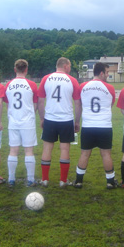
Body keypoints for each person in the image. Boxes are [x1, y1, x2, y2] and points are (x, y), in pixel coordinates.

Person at [38, 57, 81, 188]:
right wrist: (77, 121)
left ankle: (44, 179)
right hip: (66, 119)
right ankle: (63, 180)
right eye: (70, 66)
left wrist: (42, 118)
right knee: (64, 148)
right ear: (66, 66)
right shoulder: (72, 80)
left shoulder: (46, 78)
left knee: (47, 148)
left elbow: (40, 101)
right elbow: (78, 103)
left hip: (50, 119)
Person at [74, 62, 117, 189]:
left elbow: (79, 104)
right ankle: (110, 182)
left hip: (88, 125)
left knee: (84, 154)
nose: (108, 75)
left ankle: (78, 181)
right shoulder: (110, 88)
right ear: (101, 73)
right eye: (107, 72)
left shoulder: (83, 86)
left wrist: (77, 121)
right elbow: (110, 105)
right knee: (106, 154)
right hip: (104, 126)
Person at [4, 59, 38, 187]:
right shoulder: (32, 85)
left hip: (13, 121)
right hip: (27, 122)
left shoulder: (8, 85)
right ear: (26, 69)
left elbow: (7, 104)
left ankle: (11, 179)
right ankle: (30, 180)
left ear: (15, 69)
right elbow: (35, 104)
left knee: (13, 150)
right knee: (28, 151)